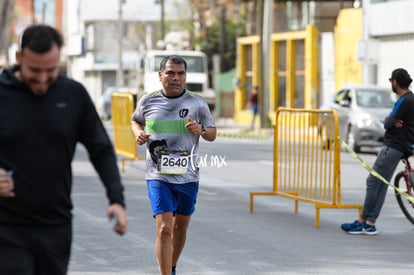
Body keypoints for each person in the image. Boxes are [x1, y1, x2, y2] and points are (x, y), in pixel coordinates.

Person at [0, 24, 127, 274]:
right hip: (6, 227)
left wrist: (116, 199)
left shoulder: (73, 95)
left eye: (51, 70)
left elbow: (100, 148)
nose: (43, 79)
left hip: (55, 226)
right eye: (34, 70)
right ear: (19, 58)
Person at [131, 55, 216, 275]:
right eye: (170, 73)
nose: (175, 78)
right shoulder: (147, 101)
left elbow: (212, 133)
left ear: (185, 77)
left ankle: (172, 266)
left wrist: (201, 130)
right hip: (158, 176)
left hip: (188, 176)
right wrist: (139, 133)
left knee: (180, 228)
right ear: (160, 76)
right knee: (163, 228)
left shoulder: (197, 103)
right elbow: (136, 120)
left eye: (180, 73)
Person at [341, 68, 414, 235]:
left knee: (373, 182)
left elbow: (388, 122)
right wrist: (393, 121)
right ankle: (370, 222)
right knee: (380, 183)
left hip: (393, 146)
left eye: (391, 82)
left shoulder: (404, 101)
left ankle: (363, 222)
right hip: (400, 147)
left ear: (395, 82)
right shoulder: (412, 99)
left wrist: (391, 121)